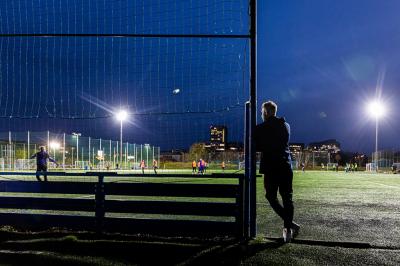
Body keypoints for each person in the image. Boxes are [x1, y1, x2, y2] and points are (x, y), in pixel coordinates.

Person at [255, 100, 300, 243]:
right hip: (286, 166)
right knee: (287, 198)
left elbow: (258, 146)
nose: (261, 115)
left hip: (271, 168)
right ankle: (288, 229)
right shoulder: (286, 125)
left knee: (270, 196)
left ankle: (289, 224)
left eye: (262, 112)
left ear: (266, 112)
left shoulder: (261, 127)